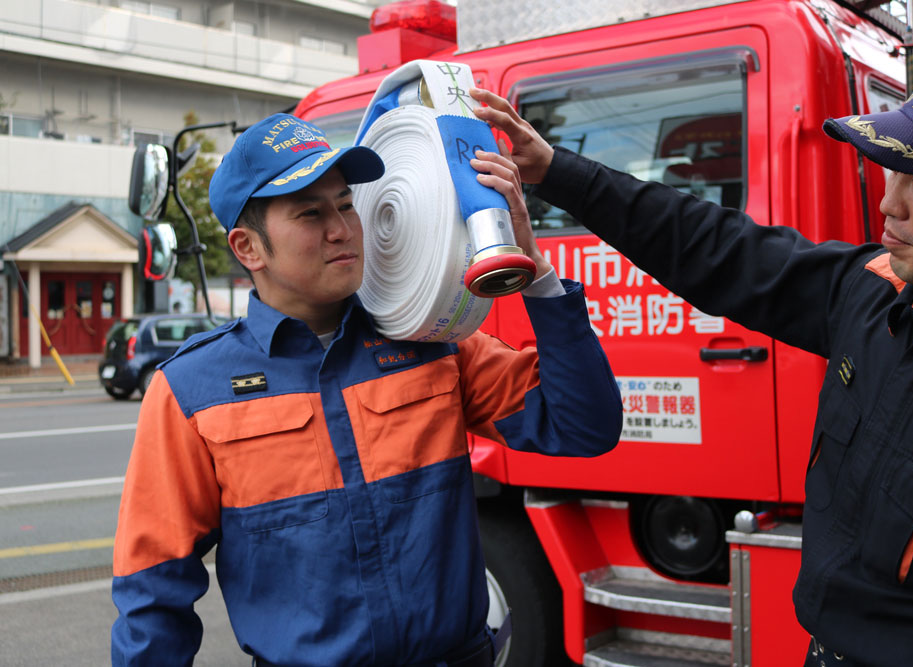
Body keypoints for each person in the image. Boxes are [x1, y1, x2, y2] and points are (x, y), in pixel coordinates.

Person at [469, 53, 913, 666]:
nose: (888, 205)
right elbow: (711, 245)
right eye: (890, 173)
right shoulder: (870, 292)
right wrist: (555, 170)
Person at [110, 113, 623, 666]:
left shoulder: (434, 340)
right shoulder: (191, 391)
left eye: (346, 205)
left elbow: (583, 428)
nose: (342, 229)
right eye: (310, 213)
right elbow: (153, 592)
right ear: (248, 248)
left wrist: (537, 273)